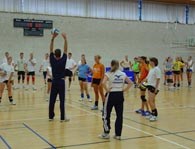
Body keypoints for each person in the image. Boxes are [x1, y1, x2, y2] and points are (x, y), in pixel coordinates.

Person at [99, 60, 132, 139]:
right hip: (120, 95)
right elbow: (130, 82)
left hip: (111, 95)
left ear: (111, 65)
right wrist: (124, 90)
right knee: (119, 115)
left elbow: (103, 83)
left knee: (106, 114)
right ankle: (118, 135)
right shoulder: (123, 74)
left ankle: (106, 133)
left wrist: (107, 90)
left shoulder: (109, 73)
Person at [49, 32, 69, 122]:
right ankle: (62, 118)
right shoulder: (63, 60)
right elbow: (65, 50)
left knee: (52, 100)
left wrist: (53, 39)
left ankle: (51, 116)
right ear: (60, 55)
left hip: (54, 82)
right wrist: (65, 39)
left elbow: (50, 49)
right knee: (62, 100)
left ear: (54, 54)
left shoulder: (52, 60)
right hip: (61, 82)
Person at [144, 57, 161, 122]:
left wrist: (156, 88)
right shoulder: (151, 69)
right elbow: (147, 78)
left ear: (153, 62)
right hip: (149, 86)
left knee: (150, 101)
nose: (149, 62)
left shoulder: (157, 69)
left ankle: (155, 115)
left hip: (154, 87)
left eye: (150, 61)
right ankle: (153, 113)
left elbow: (158, 79)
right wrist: (141, 83)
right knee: (151, 101)